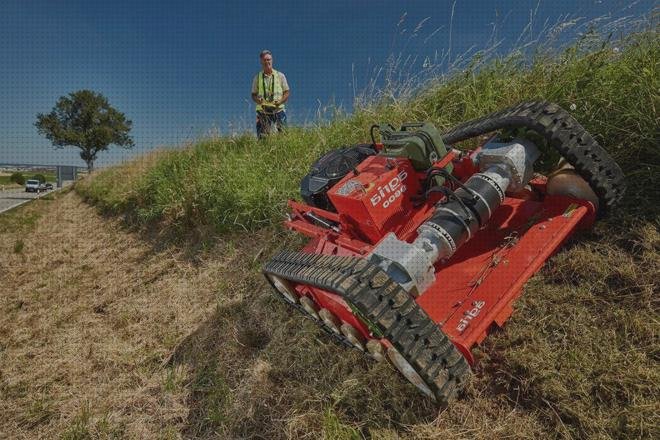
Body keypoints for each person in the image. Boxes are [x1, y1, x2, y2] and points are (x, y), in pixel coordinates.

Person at [251, 50, 290, 138]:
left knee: (283, 135)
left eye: (269, 59)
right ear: (261, 61)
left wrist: (280, 102)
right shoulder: (257, 78)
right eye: (264, 60)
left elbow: (287, 92)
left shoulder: (280, 75)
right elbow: (253, 94)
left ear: (272, 60)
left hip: (278, 109)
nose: (267, 61)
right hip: (262, 110)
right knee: (262, 137)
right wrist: (258, 100)